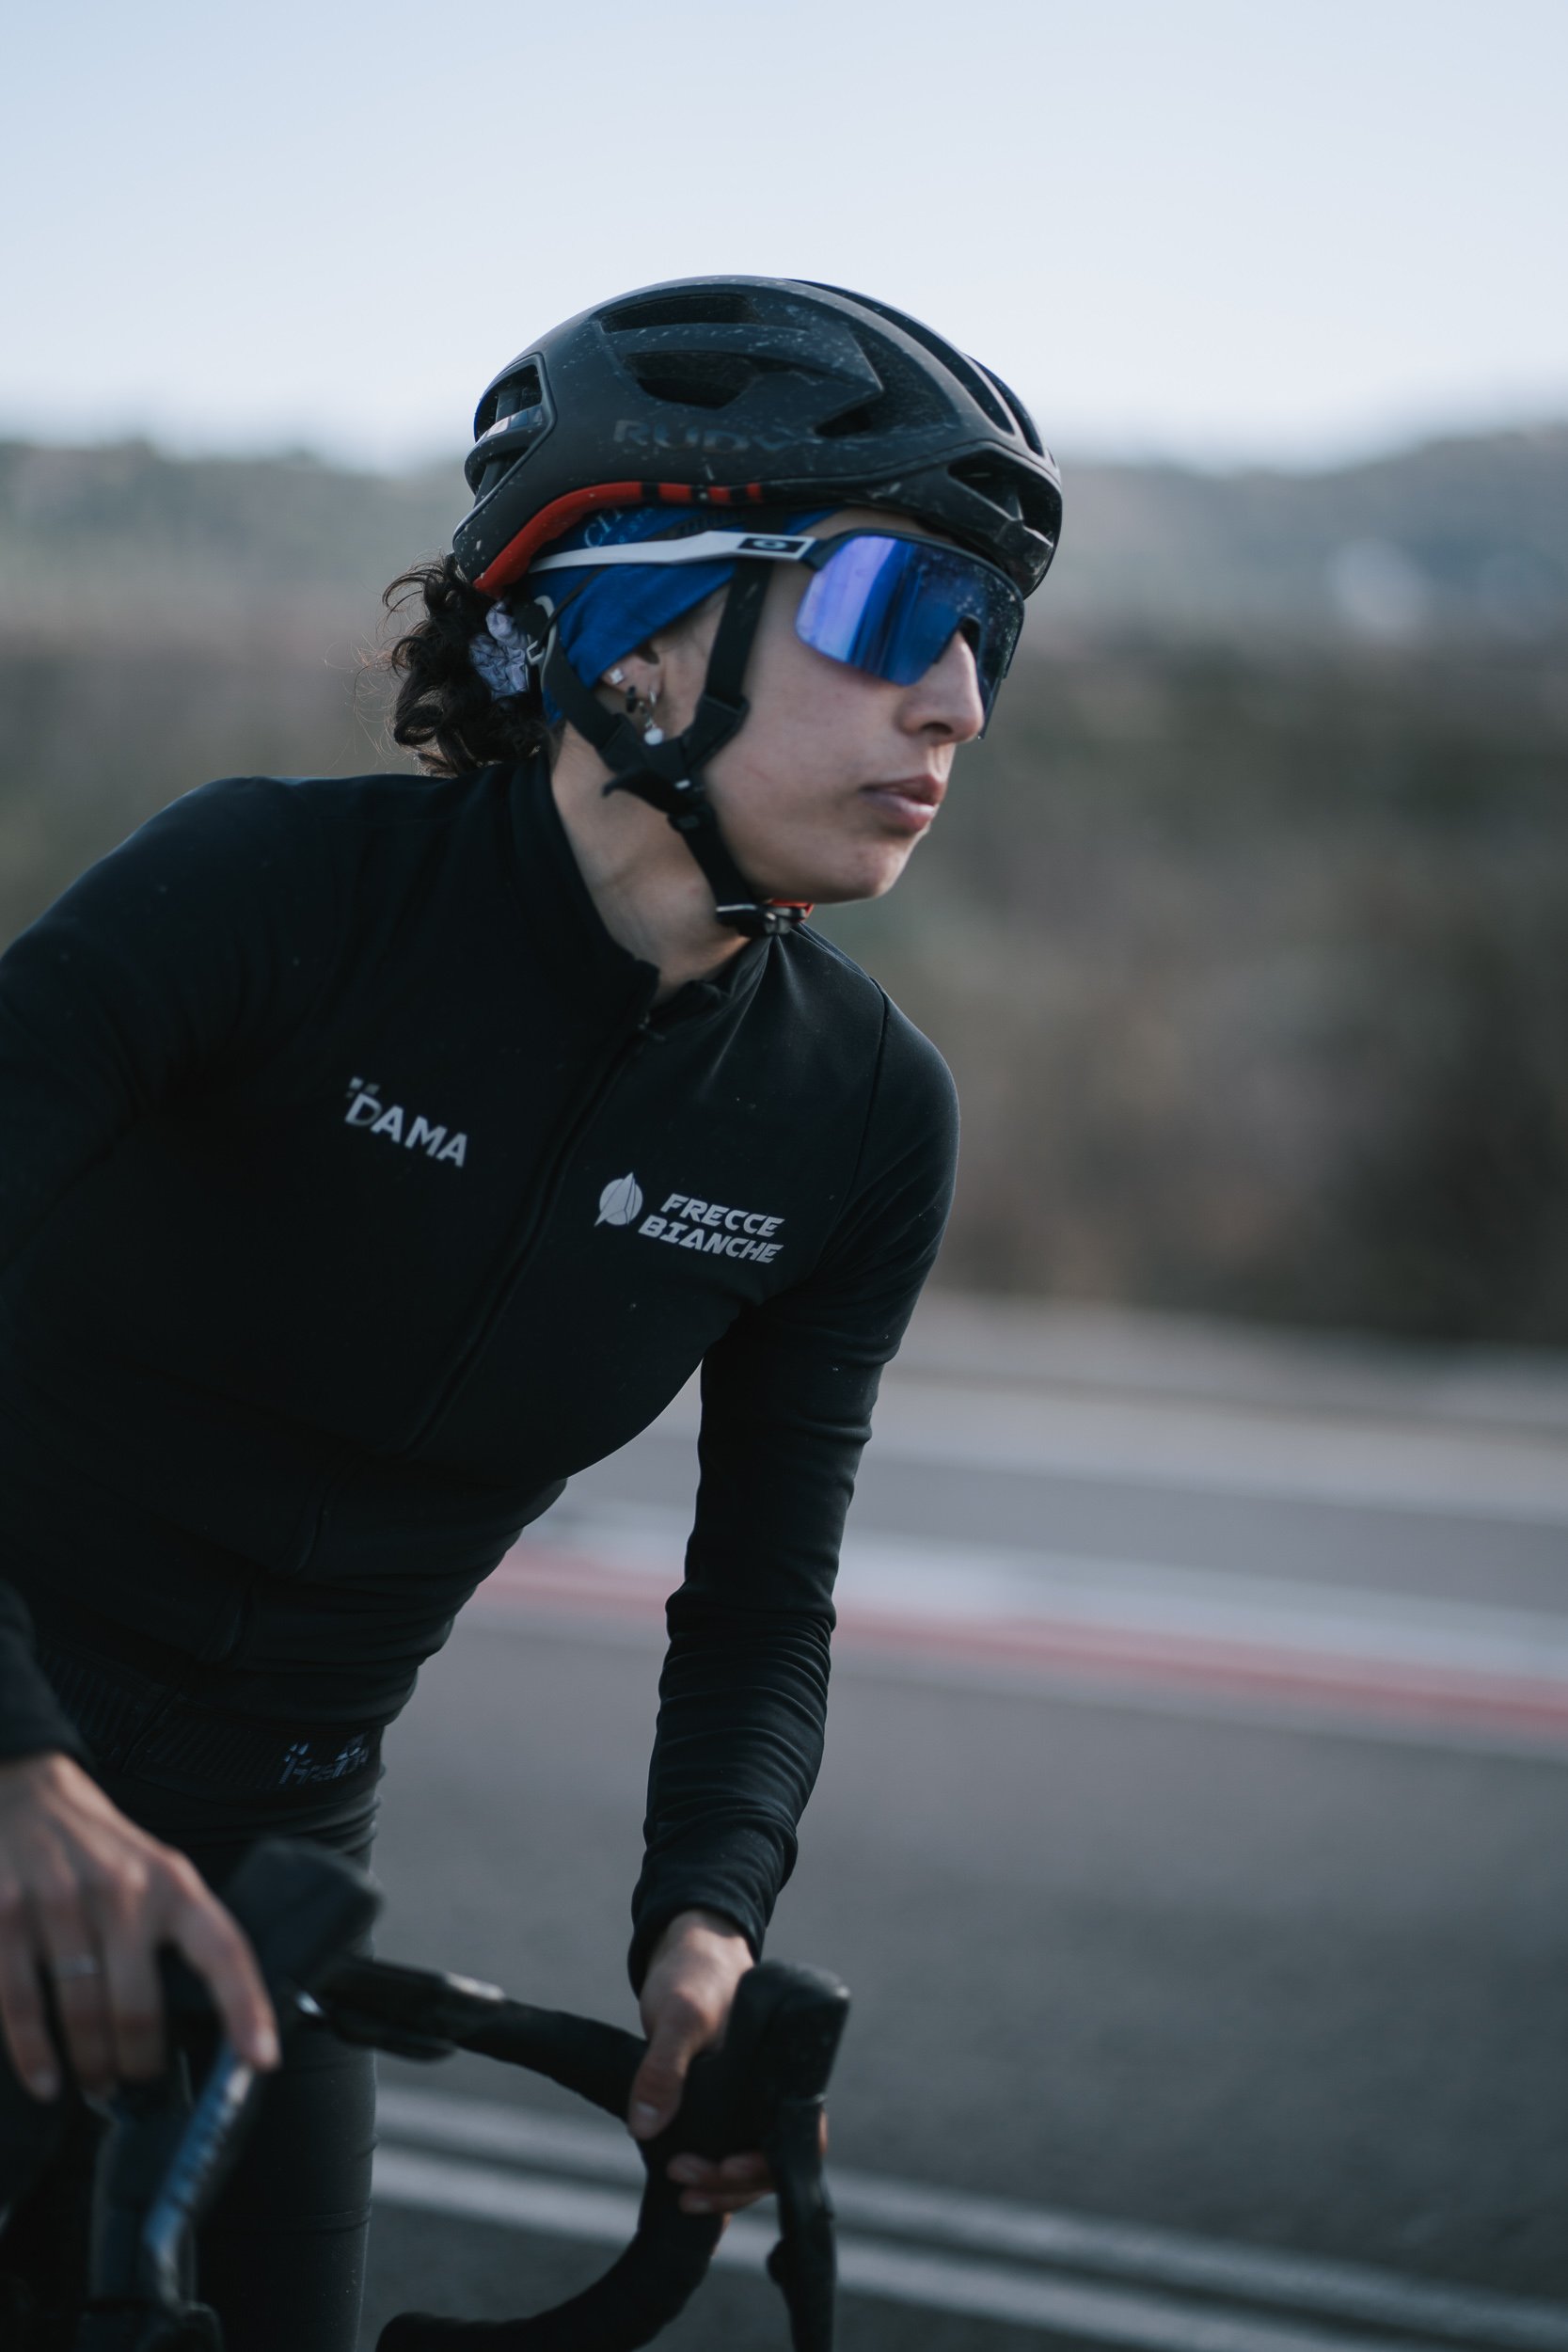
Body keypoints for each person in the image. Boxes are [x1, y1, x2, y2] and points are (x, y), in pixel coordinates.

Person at [0, 276, 1061, 2349]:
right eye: (885, 606)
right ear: (632, 631)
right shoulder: (264, 898)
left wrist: (706, 1938)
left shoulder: (857, 1118)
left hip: (263, 1887)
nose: (956, 698)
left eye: (984, 632)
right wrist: (15, 1767)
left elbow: (761, 1596)